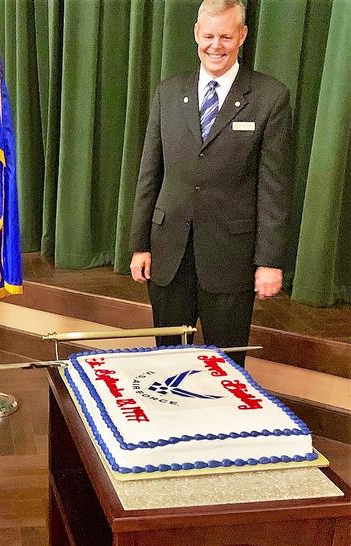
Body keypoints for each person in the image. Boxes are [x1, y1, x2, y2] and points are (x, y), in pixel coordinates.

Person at [129, 0, 292, 366]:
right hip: (169, 255)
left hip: (229, 259)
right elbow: (149, 175)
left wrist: (269, 261)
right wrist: (139, 244)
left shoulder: (270, 98)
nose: (215, 45)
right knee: (168, 360)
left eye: (225, 36)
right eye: (208, 36)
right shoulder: (167, 93)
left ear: (242, 36)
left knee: (228, 367)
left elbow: (274, 188)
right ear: (196, 35)